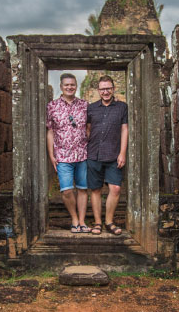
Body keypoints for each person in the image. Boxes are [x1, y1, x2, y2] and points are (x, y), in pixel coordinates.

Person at [46, 72, 90, 233]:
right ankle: (74, 218)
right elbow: (50, 131)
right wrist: (51, 155)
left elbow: (89, 128)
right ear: (61, 86)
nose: (70, 87)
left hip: (82, 153)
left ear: (76, 86)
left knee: (83, 189)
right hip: (62, 155)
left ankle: (83, 221)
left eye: (72, 84)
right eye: (67, 85)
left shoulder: (85, 105)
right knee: (66, 190)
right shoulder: (52, 106)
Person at [86, 75, 128, 235]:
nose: (105, 92)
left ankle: (109, 221)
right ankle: (97, 223)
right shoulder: (91, 108)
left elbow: (124, 129)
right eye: (102, 89)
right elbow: (87, 129)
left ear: (113, 89)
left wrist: (122, 153)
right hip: (93, 153)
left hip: (114, 153)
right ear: (98, 90)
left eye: (108, 88)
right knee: (95, 189)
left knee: (116, 188)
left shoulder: (122, 107)